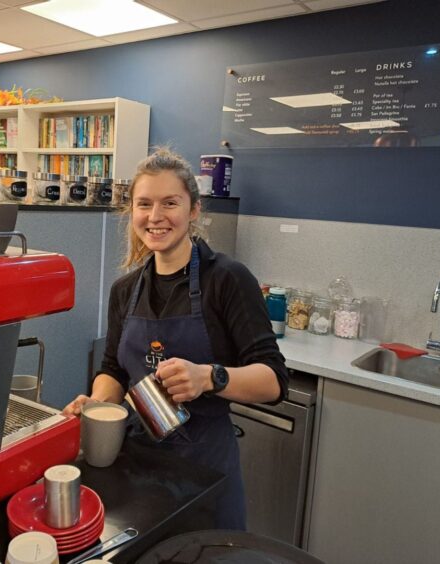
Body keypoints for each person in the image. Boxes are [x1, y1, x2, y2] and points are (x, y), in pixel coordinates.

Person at [63, 148, 288, 530]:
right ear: (130, 211)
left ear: (194, 210)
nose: (155, 217)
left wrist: (209, 377)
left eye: (170, 203)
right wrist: (98, 405)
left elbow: (274, 381)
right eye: (144, 204)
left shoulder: (228, 280)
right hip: (137, 464)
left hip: (205, 471)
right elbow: (115, 370)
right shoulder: (125, 290)